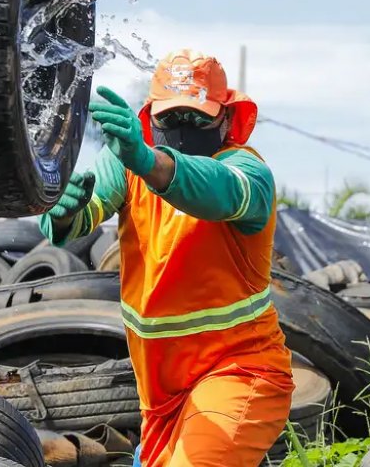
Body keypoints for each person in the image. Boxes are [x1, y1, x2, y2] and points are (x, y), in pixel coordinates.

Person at [39, 48, 295, 467]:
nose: (183, 128)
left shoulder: (247, 172)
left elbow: (216, 190)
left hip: (238, 373)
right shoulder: (125, 167)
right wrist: (62, 212)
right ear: (151, 118)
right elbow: (85, 212)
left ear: (226, 118)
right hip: (159, 397)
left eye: (197, 117)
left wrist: (148, 161)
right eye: (171, 118)